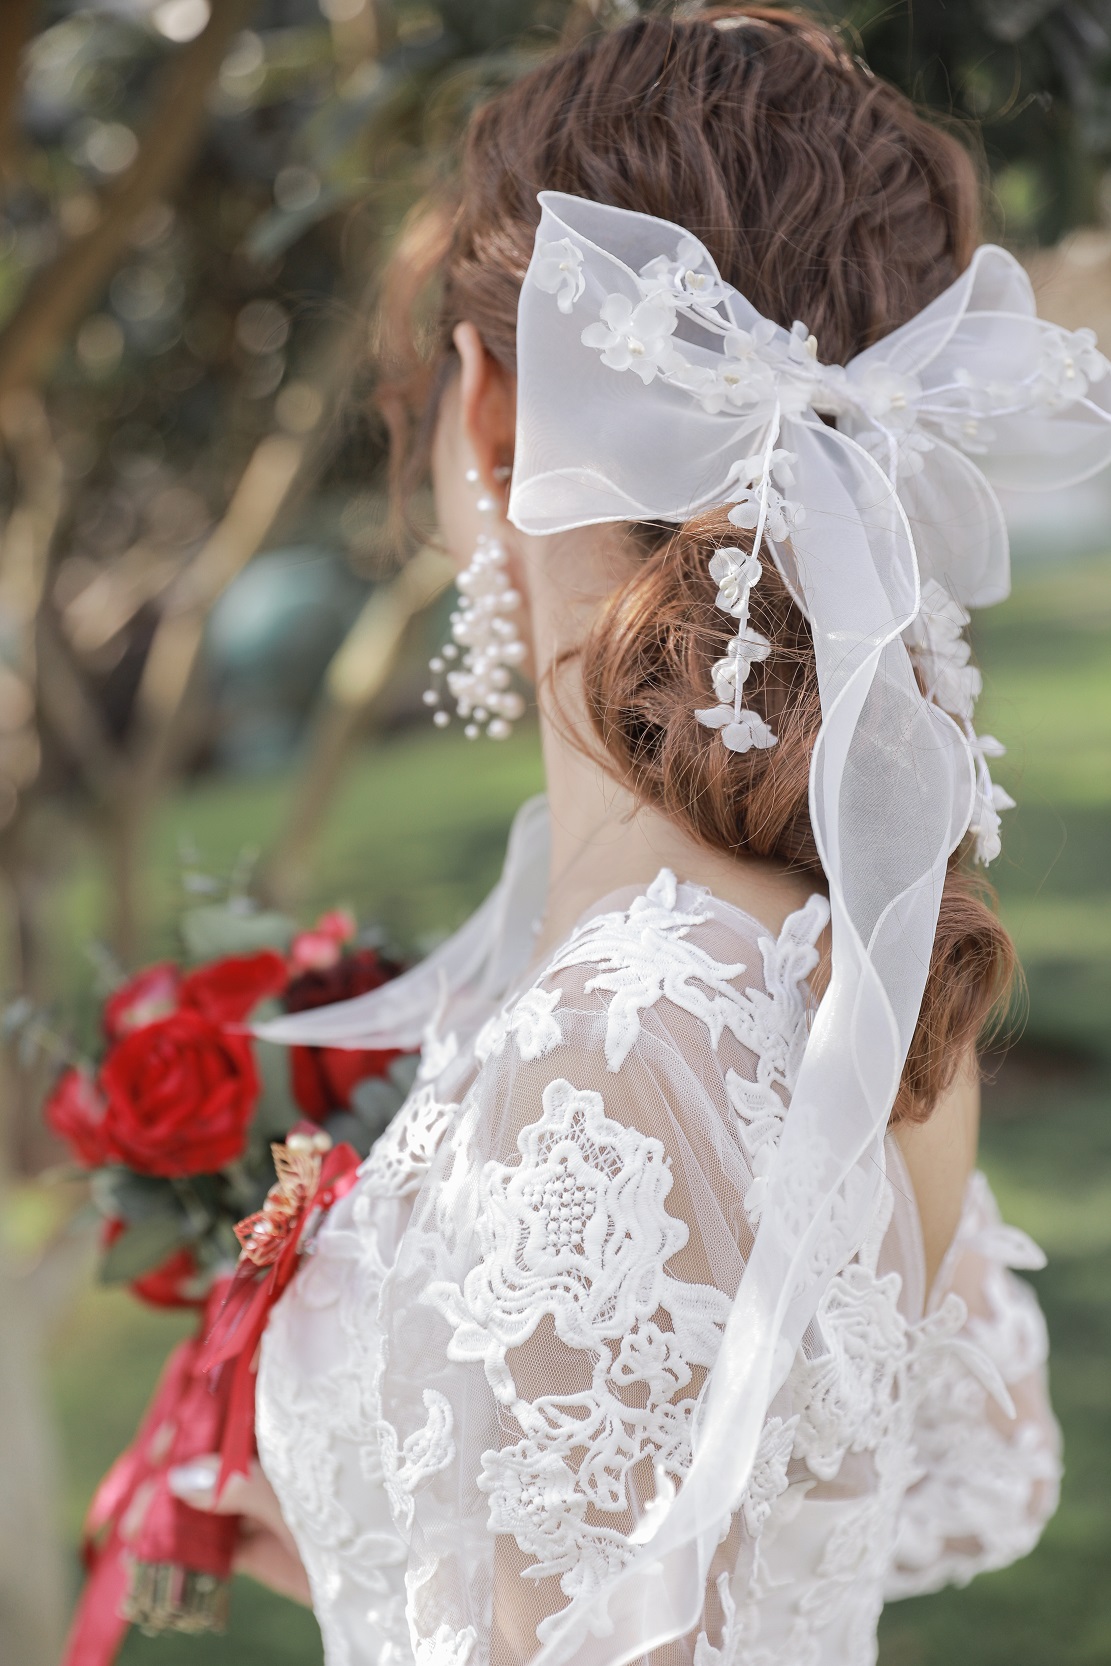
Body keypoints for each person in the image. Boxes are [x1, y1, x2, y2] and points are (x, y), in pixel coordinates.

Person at [173, 10, 1080, 1663]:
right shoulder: (854, 967)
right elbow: (964, 1469)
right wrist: (400, 1577)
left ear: (491, 417)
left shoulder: (618, 1039)